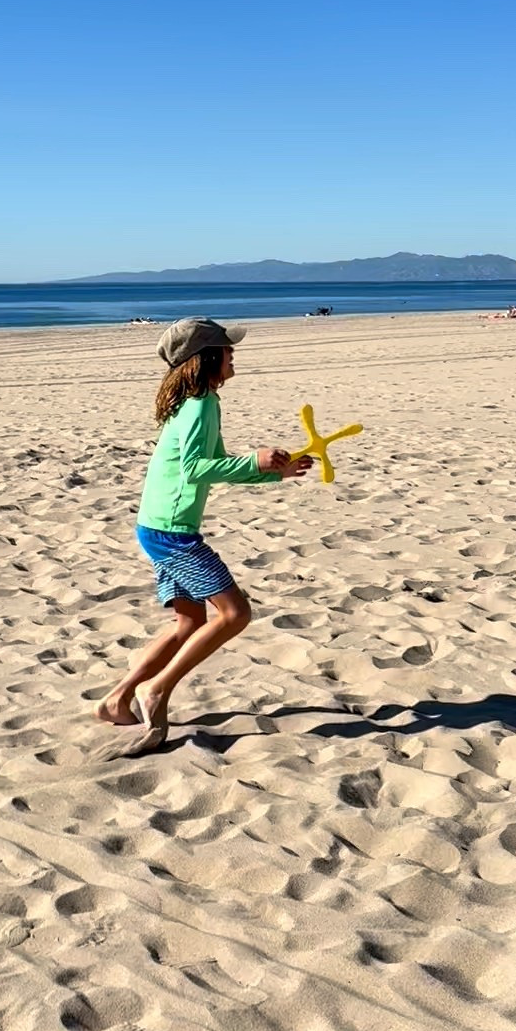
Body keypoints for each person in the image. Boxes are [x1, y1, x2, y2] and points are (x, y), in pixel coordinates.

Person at [96, 317, 312, 753]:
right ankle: (156, 691)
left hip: (156, 526)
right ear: (206, 358)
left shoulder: (198, 401)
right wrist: (257, 459)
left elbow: (215, 464)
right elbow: (197, 470)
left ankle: (116, 700)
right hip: (173, 532)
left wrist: (273, 473)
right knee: (235, 614)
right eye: (227, 349)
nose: (234, 354)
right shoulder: (199, 406)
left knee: (190, 622)